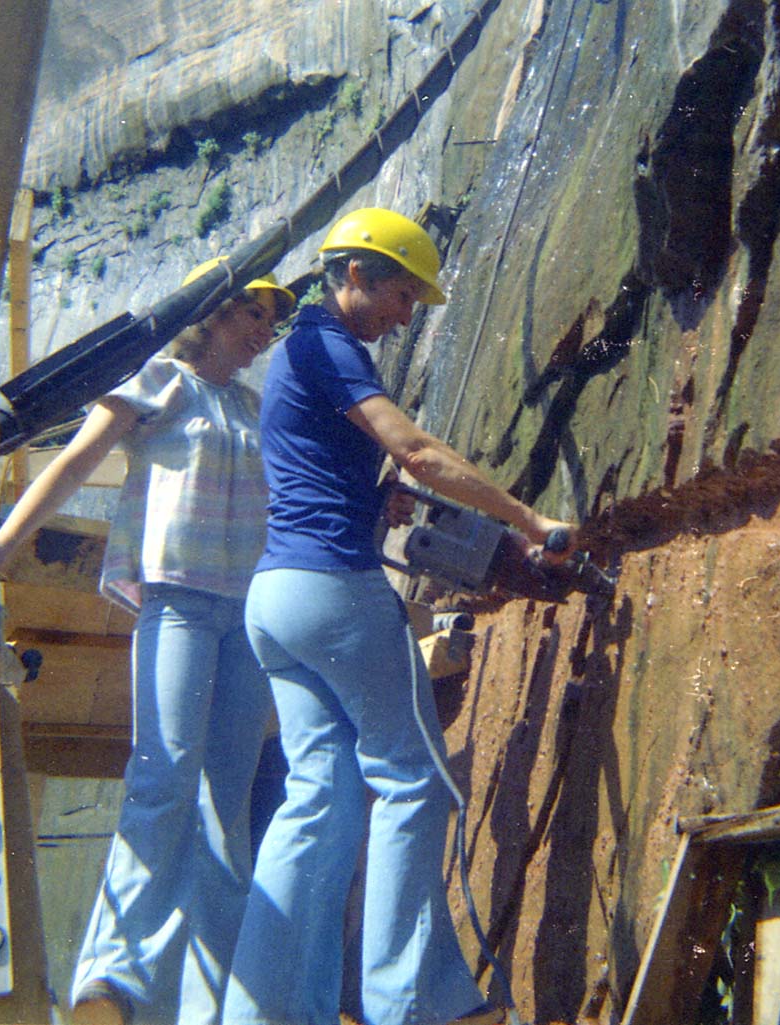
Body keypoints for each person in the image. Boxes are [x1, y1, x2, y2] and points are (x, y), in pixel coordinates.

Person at [222, 208, 578, 1025]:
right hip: (334, 594)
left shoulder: (293, 355)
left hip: (275, 599)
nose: (406, 315)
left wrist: (367, 495)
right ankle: (412, 1003)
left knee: (323, 796)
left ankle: (267, 1012)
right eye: (402, 294)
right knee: (413, 779)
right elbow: (415, 449)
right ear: (356, 275)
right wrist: (532, 521)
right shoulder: (328, 344)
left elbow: (333, 465)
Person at [0, 258, 295, 1025]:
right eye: (253, 313)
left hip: (246, 615)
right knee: (163, 776)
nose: (264, 331)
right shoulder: (160, 382)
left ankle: (211, 1004)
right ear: (213, 312)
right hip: (180, 604)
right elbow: (73, 462)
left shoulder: (257, 408)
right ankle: (110, 980)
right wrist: (2, 545)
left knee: (225, 809)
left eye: (271, 321)